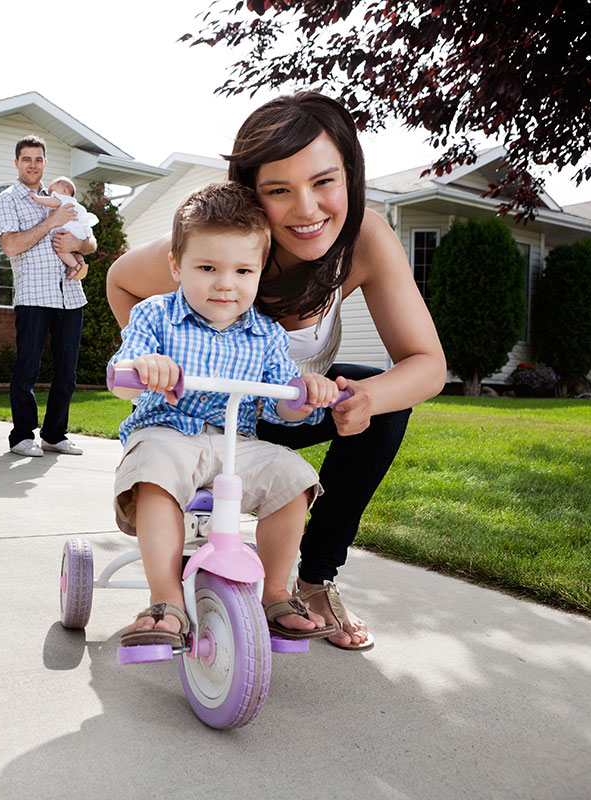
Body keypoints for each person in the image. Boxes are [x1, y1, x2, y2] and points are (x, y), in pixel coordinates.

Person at [106, 92, 447, 651]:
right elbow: (121, 279)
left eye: (324, 182)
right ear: (250, 193)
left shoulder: (365, 240)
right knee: (164, 459)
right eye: (279, 190)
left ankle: (309, 584)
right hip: (194, 407)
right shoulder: (218, 242)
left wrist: (362, 397)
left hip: (279, 399)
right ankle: (165, 598)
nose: (308, 210)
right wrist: (157, 363)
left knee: (379, 401)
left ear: (351, 176)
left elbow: (427, 364)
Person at [110, 181, 342, 648]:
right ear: (177, 266)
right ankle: (166, 600)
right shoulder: (155, 315)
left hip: (238, 443)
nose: (225, 283)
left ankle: (276, 592)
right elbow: (121, 373)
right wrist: (145, 367)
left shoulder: (267, 334)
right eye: (208, 267)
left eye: (242, 270)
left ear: (258, 272)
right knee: (154, 472)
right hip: (167, 432)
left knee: (294, 476)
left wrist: (307, 392)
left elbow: (285, 404)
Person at [0, 135, 97, 458]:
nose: (33, 165)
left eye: (38, 159)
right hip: (33, 295)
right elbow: (10, 245)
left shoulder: (62, 197)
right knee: (27, 368)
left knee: (67, 371)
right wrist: (51, 222)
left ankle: (54, 434)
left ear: (44, 163)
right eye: (27, 159)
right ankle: (22, 436)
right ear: (17, 163)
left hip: (70, 295)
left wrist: (76, 247)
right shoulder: (7, 199)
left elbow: (91, 241)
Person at [28, 176, 98, 278]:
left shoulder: (62, 199)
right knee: (74, 253)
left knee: (60, 249)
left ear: (64, 190)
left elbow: (52, 202)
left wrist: (38, 199)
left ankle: (75, 266)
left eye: (52, 192)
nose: (50, 195)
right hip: (80, 232)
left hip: (68, 231)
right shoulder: (75, 203)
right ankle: (80, 262)